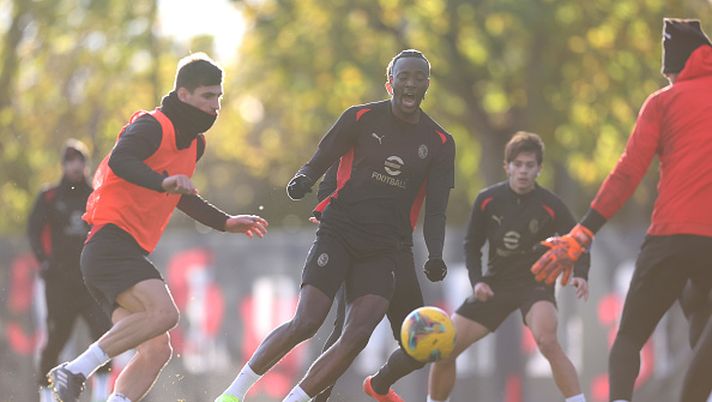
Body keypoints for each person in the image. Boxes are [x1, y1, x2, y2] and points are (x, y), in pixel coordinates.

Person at [214, 48, 455, 402]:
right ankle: (232, 395)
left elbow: (436, 209)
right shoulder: (359, 118)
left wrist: (435, 254)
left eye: (419, 78)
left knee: (356, 335)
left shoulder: (440, 142)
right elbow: (324, 156)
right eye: (404, 77)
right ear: (390, 83)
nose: (411, 84)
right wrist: (304, 177)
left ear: (427, 86)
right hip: (339, 231)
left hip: (386, 248)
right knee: (307, 322)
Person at [46, 53, 269, 402]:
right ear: (183, 94)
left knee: (157, 351)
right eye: (208, 96)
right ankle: (75, 369)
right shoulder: (153, 124)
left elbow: (181, 195)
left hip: (121, 251)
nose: (216, 106)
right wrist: (163, 182)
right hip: (109, 244)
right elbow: (121, 160)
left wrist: (225, 222)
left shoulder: (195, 143)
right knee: (164, 314)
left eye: (219, 97)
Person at [530, 18, 712, 402]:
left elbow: (628, 172)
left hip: (672, 236)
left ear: (674, 68)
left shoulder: (664, 101)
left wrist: (584, 231)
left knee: (629, 338)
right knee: (703, 333)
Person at [428, 132, 590, 402]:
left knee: (548, 341)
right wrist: (477, 280)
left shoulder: (551, 205)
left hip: (535, 285)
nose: (523, 171)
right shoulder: (487, 200)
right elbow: (471, 245)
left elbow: (579, 241)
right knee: (444, 348)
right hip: (495, 284)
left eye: (529, 165)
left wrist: (581, 274)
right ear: (507, 167)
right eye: (518, 164)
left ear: (539, 169)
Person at [311, 163, 430, 402]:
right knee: (344, 335)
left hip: (398, 251)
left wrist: (435, 254)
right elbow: (334, 169)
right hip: (358, 247)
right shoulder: (363, 129)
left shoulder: (425, 140)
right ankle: (314, 399)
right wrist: (325, 211)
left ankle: (379, 384)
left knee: (421, 341)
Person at [28, 139, 112, 402]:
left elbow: (109, 229)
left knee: (104, 336)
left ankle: (101, 395)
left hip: (91, 283)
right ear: (63, 165)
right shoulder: (50, 197)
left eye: (80, 161)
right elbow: (33, 230)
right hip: (60, 284)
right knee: (56, 339)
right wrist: (44, 261)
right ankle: (46, 395)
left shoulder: (96, 194)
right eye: (70, 161)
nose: (76, 166)